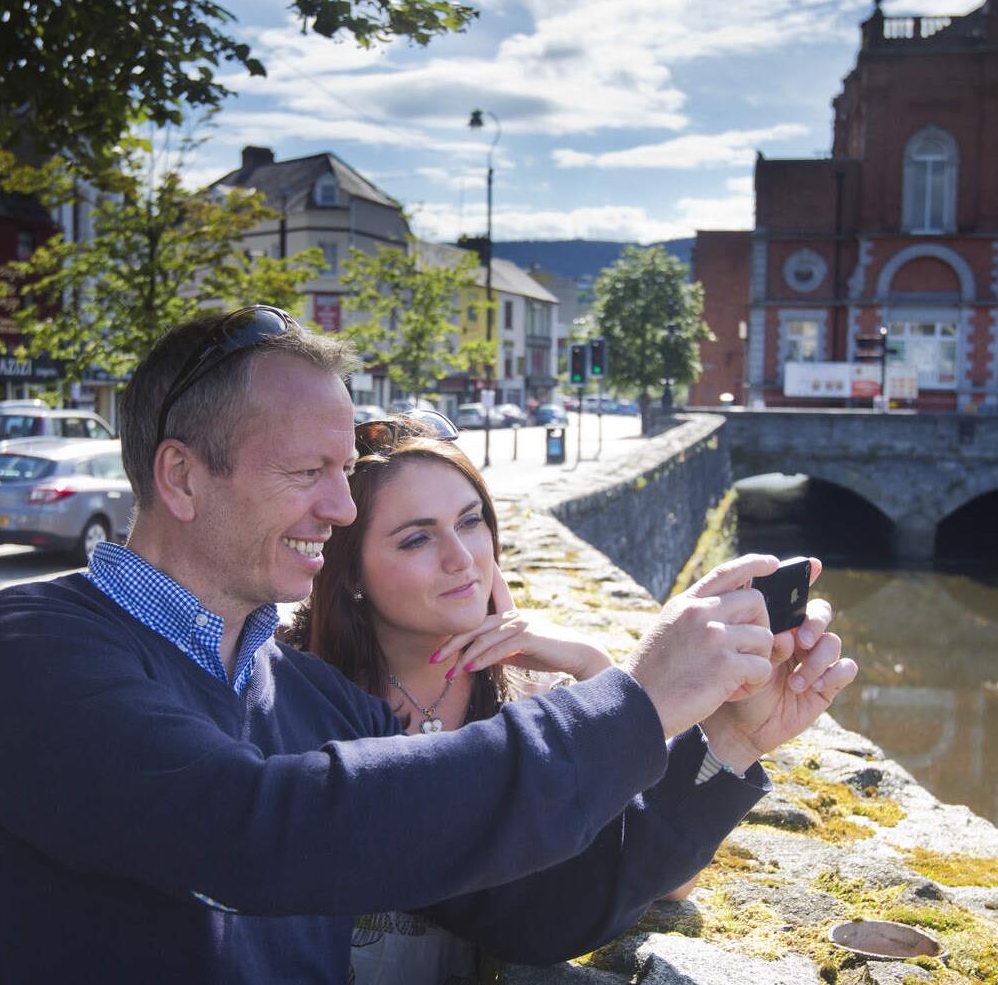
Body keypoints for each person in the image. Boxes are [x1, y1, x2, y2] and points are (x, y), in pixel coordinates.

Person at [0, 306, 857, 982]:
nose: (339, 505)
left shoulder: (315, 697)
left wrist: (727, 740)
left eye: (344, 473)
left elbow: (532, 911)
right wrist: (637, 700)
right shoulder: (23, 648)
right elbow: (254, 834)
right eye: (309, 472)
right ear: (182, 477)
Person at [285, 415, 738, 983]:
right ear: (349, 570)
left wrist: (599, 670)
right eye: (417, 538)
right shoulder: (294, 692)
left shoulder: (541, 696)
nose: (462, 558)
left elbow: (671, 880)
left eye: (471, 522)